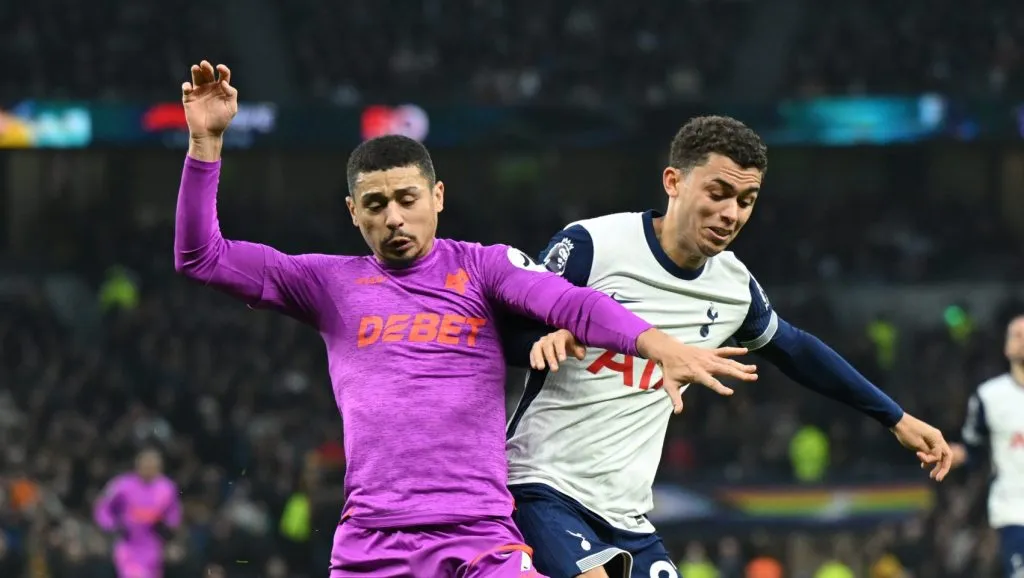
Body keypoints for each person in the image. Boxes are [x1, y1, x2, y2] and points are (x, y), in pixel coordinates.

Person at [175, 61, 758, 578]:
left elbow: (572, 304)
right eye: (376, 206)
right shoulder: (328, 282)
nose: (395, 218)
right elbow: (202, 257)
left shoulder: (485, 267)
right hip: (372, 543)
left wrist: (658, 345)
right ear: (354, 213)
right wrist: (205, 143)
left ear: (438, 197)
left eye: (408, 198)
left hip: (480, 537)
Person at [502, 116, 953, 578]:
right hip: (540, 484)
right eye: (718, 194)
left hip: (625, 513)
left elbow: (798, 352)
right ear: (673, 181)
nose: (731, 214)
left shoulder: (733, 288)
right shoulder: (593, 245)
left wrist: (895, 417)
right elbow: (505, 334)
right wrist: (543, 339)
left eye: (746, 201)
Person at [951, 315, 1024, 578]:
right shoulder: (989, 397)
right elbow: (974, 449)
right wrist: (956, 455)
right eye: (1016, 334)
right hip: (1015, 509)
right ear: (1006, 347)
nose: (1022, 339)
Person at [94, 447, 182, 578]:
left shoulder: (167, 488)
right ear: (138, 465)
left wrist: (169, 530)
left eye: (153, 466)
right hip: (128, 546)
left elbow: (174, 513)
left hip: (154, 548)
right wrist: (111, 526)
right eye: (146, 465)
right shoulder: (122, 485)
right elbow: (102, 507)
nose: (149, 469)